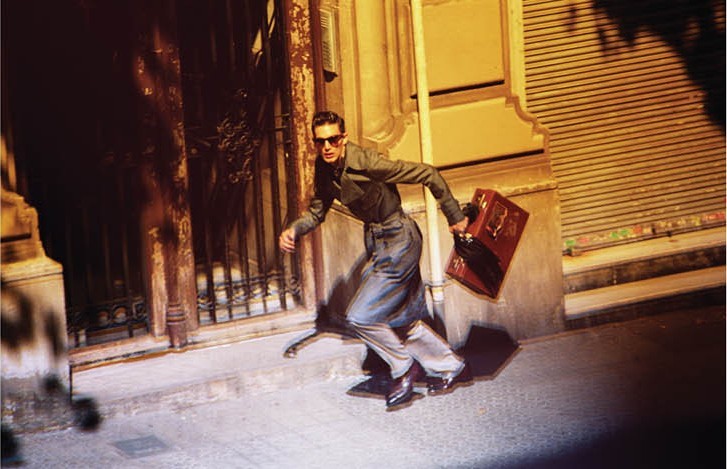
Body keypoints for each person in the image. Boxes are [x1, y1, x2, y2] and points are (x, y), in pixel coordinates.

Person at [279, 110, 472, 408]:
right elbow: (317, 211)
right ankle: (453, 367)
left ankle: (404, 368)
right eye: (320, 141)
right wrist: (294, 229)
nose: (327, 147)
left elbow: (428, 173)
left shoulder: (368, 162)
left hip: (399, 241)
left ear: (344, 138)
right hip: (378, 242)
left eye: (333, 139)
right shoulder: (325, 168)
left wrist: (455, 215)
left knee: (360, 316)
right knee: (401, 320)